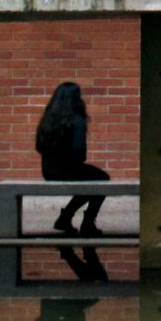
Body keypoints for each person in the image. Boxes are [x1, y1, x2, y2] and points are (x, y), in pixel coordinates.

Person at [36, 81, 109, 235]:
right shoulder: (77, 120)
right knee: (102, 179)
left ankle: (65, 218)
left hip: (48, 171)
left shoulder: (48, 119)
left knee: (91, 181)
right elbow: (79, 150)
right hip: (68, 170)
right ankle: (87, 222)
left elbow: (39, 147)